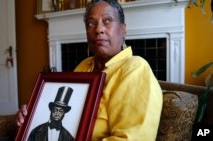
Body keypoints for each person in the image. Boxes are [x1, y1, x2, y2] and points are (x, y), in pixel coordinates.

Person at [17, 0, 163, 140]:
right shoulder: (84, 66)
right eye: (91, 23)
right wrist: (32, 118)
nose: (98, 29)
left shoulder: (135, 69)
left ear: (123, 30)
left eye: (107, 21)